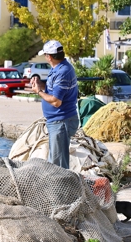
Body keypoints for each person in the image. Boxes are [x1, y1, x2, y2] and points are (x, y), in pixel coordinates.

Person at [30, 40, 79, 169]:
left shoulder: (63, 72)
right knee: (55, 161)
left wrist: (38, 91)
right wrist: (41, 84)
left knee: (58, 166)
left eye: (45, 55)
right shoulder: (58, 68)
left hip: (61, 122)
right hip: (57, 121)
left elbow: (56, 101)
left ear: (49, 57)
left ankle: (63, 188)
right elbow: (54, 89)